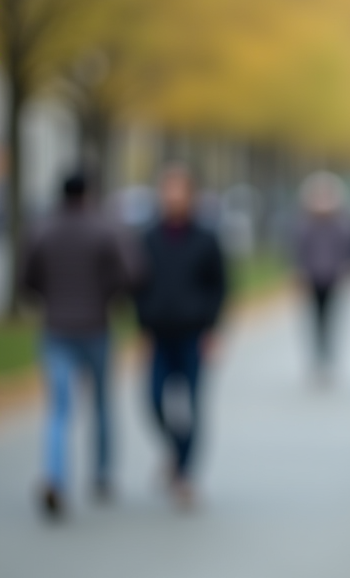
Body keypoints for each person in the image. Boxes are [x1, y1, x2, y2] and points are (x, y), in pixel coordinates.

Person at [21, 171, 135, 517]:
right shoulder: (106, 228)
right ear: (90, 193)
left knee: (58, 409)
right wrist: (107, 297)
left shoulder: (41, 229)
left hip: (56, 327)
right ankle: (101, 474)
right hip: (96, 326)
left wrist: (49, 299)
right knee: (101, 404)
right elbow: (131, 273)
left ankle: (55, 476)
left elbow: (27, 279)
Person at [135, 165, 227, 507]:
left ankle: (186, 474)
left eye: (179, 190)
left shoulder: (206, 238)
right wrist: (141, 327)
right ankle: (175, 451)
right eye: (167, 190)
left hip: (193, 333)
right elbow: (138, 287)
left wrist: (213, 329)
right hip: (158, 333)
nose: (173, 197)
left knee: (191, 405)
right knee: (154, 400)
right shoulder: (149, 237)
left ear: (191, 195)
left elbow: (220, 286)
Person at [294, 171, 350, 379]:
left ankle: (328, 357)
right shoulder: (305, 224)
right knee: (315, 319)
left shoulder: (340, 224)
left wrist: (346, 270)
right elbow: (298, 250)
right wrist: (298, 272)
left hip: (333, 277)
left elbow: (347, 249)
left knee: (331, 319)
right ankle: (318, 358)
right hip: (312, 278)